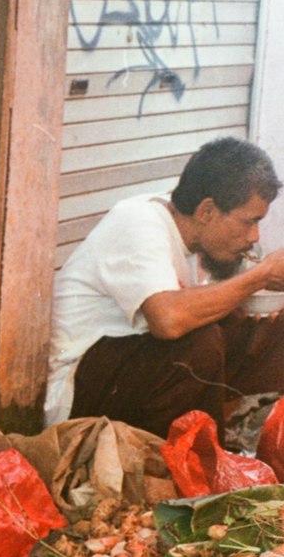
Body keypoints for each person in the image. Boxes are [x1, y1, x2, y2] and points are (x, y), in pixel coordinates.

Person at [44, 136, 284, 438]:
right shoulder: (138, 222)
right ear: (207, 210)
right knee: (202, 343)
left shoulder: (196, 237)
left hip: (135, 374)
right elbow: (168, 320)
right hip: (77, 399)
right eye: (249, 222)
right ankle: (187, 464)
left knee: (261, 330)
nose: (254, 236)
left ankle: (215, 447)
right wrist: (261, 275)